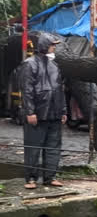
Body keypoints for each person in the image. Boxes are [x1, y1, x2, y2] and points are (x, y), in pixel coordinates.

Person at [21, 33, 67, 190]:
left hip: (54, 112)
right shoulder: (29, 64)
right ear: (44, 45)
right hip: (38, 112)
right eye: (52, 44)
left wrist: (63, 111)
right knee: (33, 147)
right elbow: (27, 90)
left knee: (53, 146)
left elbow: (60, 89)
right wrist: (30, 111)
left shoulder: (54, 65)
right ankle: (31, 178)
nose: (54, 47)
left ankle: (50, 176)